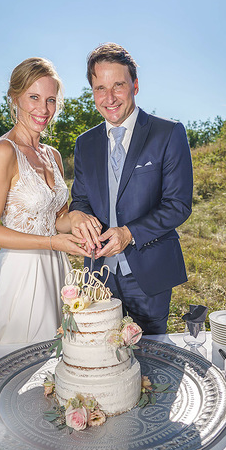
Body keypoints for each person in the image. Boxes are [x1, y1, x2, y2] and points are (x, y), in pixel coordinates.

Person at [0, 57, 101, 346]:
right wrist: (52, 243)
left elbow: (57, 218)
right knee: (19, 362)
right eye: (34, 97)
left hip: (56, 270)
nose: (43, 109)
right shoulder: (3, 151)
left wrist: (77, 218)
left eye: (51, 100)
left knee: (59, 360)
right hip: (21, 274)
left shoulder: (52, 155)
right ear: (14, 97)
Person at [69, 43, 193, 335]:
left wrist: (129, 233)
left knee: (149, 363)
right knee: (101, 357)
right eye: (100, 88)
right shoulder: (84, 144)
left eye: (118, 85)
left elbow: (178, 204)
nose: (109, 98)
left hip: (149, 275)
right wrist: (80, 218)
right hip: (97, 276)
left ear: (135, 85)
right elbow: (81, 200)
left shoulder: (168, 133)